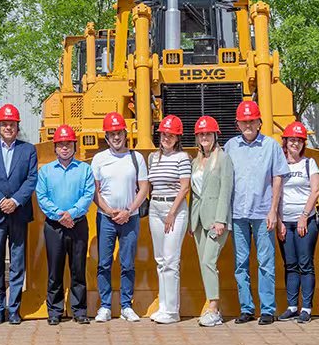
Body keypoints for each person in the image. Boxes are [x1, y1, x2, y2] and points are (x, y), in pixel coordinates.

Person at [224, 100, 289, 325]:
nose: (248, 125)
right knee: (240, 263)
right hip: (238, 213)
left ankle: (268, 309)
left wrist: (273, 211)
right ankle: (246, 308)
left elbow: (278, 178)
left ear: (260, 122)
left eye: (252, 121)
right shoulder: (230, 147)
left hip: (263, 213)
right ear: (238, 124)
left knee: (266, 262)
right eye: (244, 122)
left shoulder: (271, 146)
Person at [0, 103, 38, 325]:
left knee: (17, 262)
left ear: (17, 127)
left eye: (12, 124)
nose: (8, 128)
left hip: (19, 213)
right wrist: (1, 201)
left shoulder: (28, 150)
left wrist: (15, 201)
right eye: (4, 124)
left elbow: (31, 179)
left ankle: (13, 309)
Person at [92, 112, 149, 323]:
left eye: (119, 133)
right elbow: (95, 191)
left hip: (130, 219)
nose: (116, 137)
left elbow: (144, 188)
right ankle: (105, 306)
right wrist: (109, 211)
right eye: (112, 134)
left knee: (128, 264)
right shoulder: (99, 159)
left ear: (125, 134)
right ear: (106, 137)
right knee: (104, 263)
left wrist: (128, 210)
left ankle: (126, 305)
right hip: (106, 219)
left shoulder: (136, 158)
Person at [36, 124, 95, 325]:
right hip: (54, 226)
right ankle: (54, 311)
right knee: (55, 270)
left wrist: (72, 213)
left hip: (78, 225)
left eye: (68, 144)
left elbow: (88, 195)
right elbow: (42, 197)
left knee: (78, 269)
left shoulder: (84, 169)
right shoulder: (45, 171)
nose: (64, 148)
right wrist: (59, 215)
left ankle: (79, 311)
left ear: (74, 146)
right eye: (61, 144)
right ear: (55, 147)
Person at [188, 115, 233, 327]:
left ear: (215, 135)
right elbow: (194, 194)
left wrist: (221, 220)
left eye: (208, 134)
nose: (204, 137)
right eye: (201, 134)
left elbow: (226, 190)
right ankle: (212, 306)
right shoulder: (195, 162)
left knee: (208, 261)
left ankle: (214, 309)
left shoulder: (223, 159)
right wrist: (191, 222)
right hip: (199, 221)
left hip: (216, 220)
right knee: (203, 264)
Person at [147, 115, 191, 324]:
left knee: (171, 260)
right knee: (160, 260)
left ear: (177, 137)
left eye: (171, 135)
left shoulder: (182, 158)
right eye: (164, 134)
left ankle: (172, 311)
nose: (166, 138)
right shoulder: (153, 158)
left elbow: (185, 187)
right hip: (155, 208)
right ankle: (163, 307)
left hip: (175, 209)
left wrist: (172, 213)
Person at [275, 121, 319, 324]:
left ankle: (307, 308)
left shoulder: (309, 163)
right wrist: (278, 221)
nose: (295, 143)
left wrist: (304, 216)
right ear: (285, 141)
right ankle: (292, 306)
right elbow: (274, 194)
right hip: (285, 222)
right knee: (290, 264)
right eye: (292, 140)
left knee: (305, 264)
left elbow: (316, 190)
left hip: (305, 221)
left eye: (299, 140)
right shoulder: (279, 164)